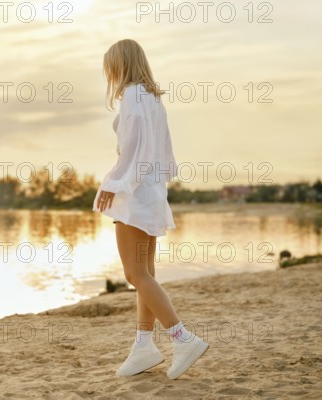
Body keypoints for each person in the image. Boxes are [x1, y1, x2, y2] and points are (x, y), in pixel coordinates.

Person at [91, 39, 209, 380]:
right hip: (152, 192)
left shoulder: (132, 96)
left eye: (111, 66)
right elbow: (159, 150)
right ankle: (144, 346)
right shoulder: (153, 98)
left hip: (135, 194)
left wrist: (115, 184)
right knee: (145, 273)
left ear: (120, 65)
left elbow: (133, 149)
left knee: (134, 274)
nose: (109, 73)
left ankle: (181, 338)